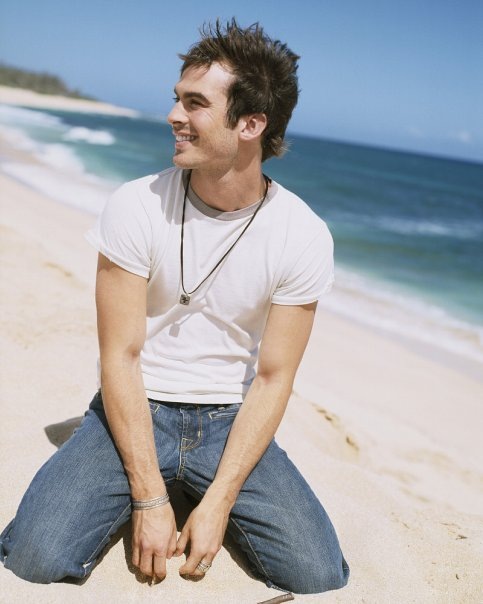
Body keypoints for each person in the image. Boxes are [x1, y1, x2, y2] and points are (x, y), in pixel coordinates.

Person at [0, 19, 349, 595]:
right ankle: (134, 468)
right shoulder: (135, 205)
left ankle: (194, 484)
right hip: (138, 404)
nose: (172, 115)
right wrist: (148, 498)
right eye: (177, 98)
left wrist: (220, 501)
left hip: (229, 417)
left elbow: (273, 378)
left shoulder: (303, 235)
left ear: (251, 124)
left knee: (317, 573)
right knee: (34, 557)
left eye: (195, 103)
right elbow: (120, 356)